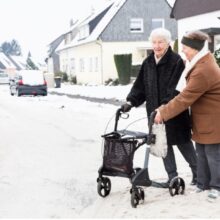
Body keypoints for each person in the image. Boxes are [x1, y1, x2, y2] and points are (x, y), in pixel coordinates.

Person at [121, 27, 197, 187]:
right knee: (164, 145)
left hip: (174, 113)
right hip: (154, 115)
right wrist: (131, 101)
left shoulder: (176, 61)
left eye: (160, 42)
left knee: (184, 143)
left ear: (168, 43)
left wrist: (164, 108)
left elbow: (175, 89)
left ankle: (198, 174)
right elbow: (140, 86)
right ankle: (172, 177)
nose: (157, 46)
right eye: (154, 42)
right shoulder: (148, 62)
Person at [154, 30, 220, 200]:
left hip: (213, 119)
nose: (182, 50)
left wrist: (163, 112)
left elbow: (184, 98)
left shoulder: (203, 69)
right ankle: (203, 183)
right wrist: (164, 107)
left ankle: (216, 187)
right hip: (203, 118)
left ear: (195, 48)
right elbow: (181, 91)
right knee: (202, 152)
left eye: (185, 47)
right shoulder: (198, 63)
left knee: (213, 155)